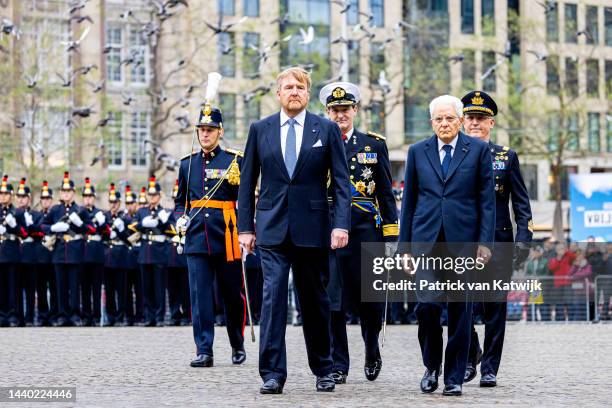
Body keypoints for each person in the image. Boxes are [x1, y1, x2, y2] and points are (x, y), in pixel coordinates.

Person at [237, 67, 351, 394]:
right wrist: (245, 227)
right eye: (288, 87)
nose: (294, 91)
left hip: (313, 229)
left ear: (307, 92)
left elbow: (342, 183)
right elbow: (247, 183)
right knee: (272, 300)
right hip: (271, 229)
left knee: (314, 301)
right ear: (278, 93)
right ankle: (272, 373)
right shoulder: (260, 130)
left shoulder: (325, 129)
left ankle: (324, 369)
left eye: (300, 87)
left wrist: (340, 224)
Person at [398, 95, 495, 396]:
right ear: (431, 122)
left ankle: (453, 377)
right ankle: (431, 367)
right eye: (438, 119)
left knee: (460, 312)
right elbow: (409, 203)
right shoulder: (417, 152)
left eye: (449, 118)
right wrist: (404, 248)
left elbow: (486, 201)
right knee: (426, 306)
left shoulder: (478, 151)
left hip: (463, 244)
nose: (444, 124)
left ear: (460, 120)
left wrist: (485, 244)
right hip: (425, 243)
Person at [318, 81, 399, 384]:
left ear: (354, 110)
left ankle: (371, 350)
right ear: (328, 112)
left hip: (367, 230)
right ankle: (339, 362)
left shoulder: (373, 144)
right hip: (329, 230)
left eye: (345, 109)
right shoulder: (318, 144)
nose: (340, 115)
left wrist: (391, 237)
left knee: (371, 301)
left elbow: (387, 195)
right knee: (333, 300)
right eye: (335, 110)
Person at [461, 90, 533, 387]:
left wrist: (524, 238)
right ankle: (469, 356)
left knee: (494, 307)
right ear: (463, 121)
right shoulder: (453, 154)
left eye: (481, 119)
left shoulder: (506, 157)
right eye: (471, 118)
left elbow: (521, 203)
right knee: (459, 303)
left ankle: (490, 367)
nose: (475, 123)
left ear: (491, 123)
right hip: (461, 241)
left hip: (499, 241)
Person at [174, 104, 246, 367]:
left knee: (231, 295)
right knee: (200, 296)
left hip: (226, 235)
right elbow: (180, 202)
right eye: (202, 130)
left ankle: (237, 343)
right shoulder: (187, 165)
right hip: (195, 237)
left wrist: (246, 230)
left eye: (210, 130)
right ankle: (204, 349)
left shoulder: (234, 160)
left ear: (220, 131)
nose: (205, 134)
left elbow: (245, 199)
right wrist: (179, 220)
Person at [41, 172, 93, 327]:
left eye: (68, 191)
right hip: (58, 252)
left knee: (74, 285)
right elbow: (42, 225)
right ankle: (62, 315)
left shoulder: (81, 210)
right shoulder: (55, 210)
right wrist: (53, 227)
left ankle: (75, 314)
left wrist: (80, 224)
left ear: (73, 192)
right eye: (63, 191)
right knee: (60, 286)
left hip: (75, 251)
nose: (65, 194)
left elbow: (91, 229)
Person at [129, 177, 173, 327]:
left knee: (159, 287)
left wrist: (165, 221)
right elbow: (132, 226)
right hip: (145, 253)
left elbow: (173, 231)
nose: (152, 197)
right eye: (150, 195)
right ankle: (149, 317)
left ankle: (160, 317)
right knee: (146, 288)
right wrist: (143, 223)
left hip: (159, 252)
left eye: (154, 195)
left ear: (159, 196)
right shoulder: (142, 211)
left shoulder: (165, 212)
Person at [80, 178, 110, 326]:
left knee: (96, 288)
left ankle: (97, 316)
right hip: (83, 253)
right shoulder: (78, 212)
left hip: (97, 253)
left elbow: (108, 233)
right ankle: (86, 316)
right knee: (85, 288)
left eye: (90, 196)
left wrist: (103, 223)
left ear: (94, 197)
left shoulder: (100, 213)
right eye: (85, 197)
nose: (88, 199)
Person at [104, 183, 131, 326]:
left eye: (115, 202)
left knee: (121, 289)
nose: (113, 205)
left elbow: (130, 239)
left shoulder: (125, 218)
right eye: (111, 202)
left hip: (121, 256)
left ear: (119, 203)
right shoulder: (105, 216)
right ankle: (110, 317)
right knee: (109, 290)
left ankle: (120, 316)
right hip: (108, 257)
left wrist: (121, 230)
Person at [0, 175, 26, 327]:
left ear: (10, 195)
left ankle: (13, 315)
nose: (3, 197)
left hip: (12, 251)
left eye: (5, 194)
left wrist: (14, 225)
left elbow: (24, 233)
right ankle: (1, 314)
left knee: (13, 286)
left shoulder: (18, 213)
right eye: (1, 194)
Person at [33, 181, 58, 326]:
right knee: (41, 287)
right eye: (43, 199)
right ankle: (43, 315)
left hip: (54, 254)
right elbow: (35, 229)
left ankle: (54, 314)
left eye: (48, 199)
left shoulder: (55, 213)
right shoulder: (36, 215)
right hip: (41, 255)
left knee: (54, 287)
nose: (45, 201)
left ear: (51, 200)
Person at [15, 178, 39, 326]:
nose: (21, 199)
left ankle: (29, 317)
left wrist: (31, 226)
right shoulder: (12, 213)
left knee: (30, 289)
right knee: (16, 289)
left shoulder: (35, 215)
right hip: (16, 254)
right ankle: (18, 317)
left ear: (29, 198)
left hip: (30, 254)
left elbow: (40, 233)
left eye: (24, 197)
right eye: (19, 197)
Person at [167, 180, 190, 326]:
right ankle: (175, 314)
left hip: (185, 254)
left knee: (186, 287)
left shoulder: (187, 214)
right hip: (172, 256)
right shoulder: (167, 214)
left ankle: (187, 314)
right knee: (173, 289)